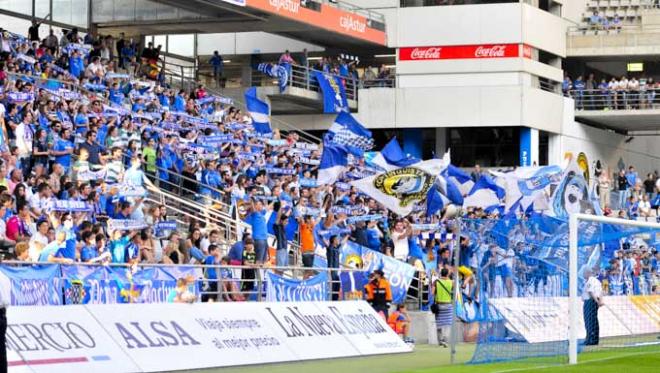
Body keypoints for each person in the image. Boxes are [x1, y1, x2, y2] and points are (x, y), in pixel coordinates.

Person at [432, 267, 453, 347]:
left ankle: (440, 341)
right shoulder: (451, 282)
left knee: (439, 323)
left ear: (441, 273)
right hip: (448, 306)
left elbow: (432, 293)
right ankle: (445, 340)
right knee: (448, 324)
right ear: (447, 274)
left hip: (439, 305)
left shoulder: (436, 282)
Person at [582, 268, 603, 346]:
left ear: (588, 273)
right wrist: (600, 301)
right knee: (594, 320)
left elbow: (590, 291)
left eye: (584, 273)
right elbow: (600, 292)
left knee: (589, 321)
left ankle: (590, 339)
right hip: (594, 301)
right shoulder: (597, 281)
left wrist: (596, 301)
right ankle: (594, 339)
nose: (583, 275)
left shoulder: (590, 281)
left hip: (590, 301)